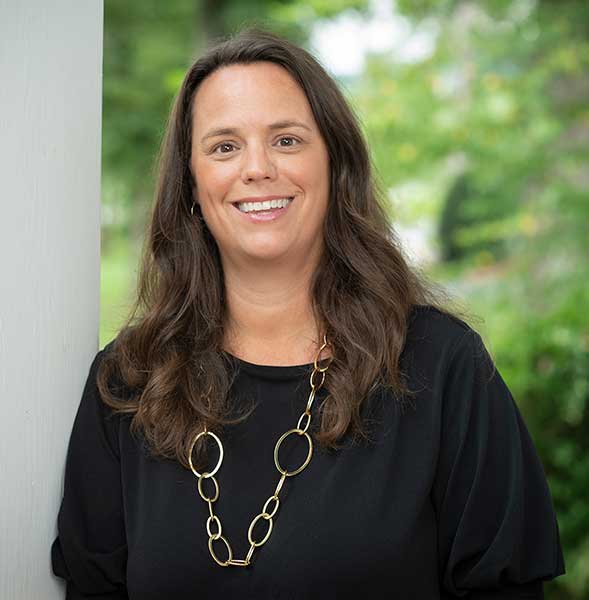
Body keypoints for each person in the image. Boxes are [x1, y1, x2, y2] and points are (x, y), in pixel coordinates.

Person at [50, 27, 565, 599]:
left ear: (335, 162)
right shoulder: (127, 380)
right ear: (192, 185)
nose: (258, 168)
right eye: (224, 146)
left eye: (287, 140)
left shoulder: (442, 367)